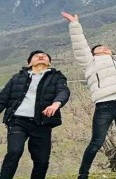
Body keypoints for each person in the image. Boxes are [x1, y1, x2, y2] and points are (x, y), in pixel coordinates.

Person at [63, 12, 116, 179]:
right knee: (97, 141)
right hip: (105, 105)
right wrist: (75, 24)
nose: (104, 48)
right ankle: (83, 174)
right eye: (99, 48)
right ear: (93, 53)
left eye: (106, 47)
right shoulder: (89, 62)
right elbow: (80, 45)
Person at [0, 50, 70, 179]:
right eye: (36, 56)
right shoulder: (17, 77)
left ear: (49, 63)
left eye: (44, 56)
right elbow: (2, 98)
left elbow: (63, 91)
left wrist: (56, 104)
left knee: (41, 160)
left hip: (42, 123)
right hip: (18, 121)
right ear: (29, 63)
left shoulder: (56, 77)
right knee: (14, 152)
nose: (41, 56)